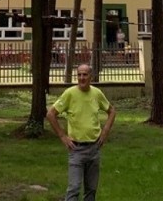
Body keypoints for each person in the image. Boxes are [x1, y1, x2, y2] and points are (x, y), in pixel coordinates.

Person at [46, 64, 116, 201]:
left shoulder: (97, 93)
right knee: (74, 188)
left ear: (91, 76)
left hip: (94, 148)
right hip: (76, 149)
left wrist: (105, 131)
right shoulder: (70, 93)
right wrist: (62, 136)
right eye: (79, 75)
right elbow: (51, 114)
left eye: (85, 75)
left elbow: (112, 111)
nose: (81, 78)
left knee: (91, 190)